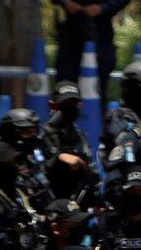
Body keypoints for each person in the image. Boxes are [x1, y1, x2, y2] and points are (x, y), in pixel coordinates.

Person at [43, 0, 133, 101]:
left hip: (101, 31)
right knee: (65, 84)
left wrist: (103, 8)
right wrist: (65, 2)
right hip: (73, 30)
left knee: (97, 86)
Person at [42, 82, 102, 210]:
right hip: (53, 199)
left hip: (77, 202)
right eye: (66, 104)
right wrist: (61, 157)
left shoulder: (79, 134)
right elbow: (45, 164)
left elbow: (89, 166)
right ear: (54, 105)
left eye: (74, 104)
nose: (71, 108)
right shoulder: (44, 133)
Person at [0, 109, 55, 212]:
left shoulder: (31, 155)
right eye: (27, 132)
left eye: (35, 132)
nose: (33, 137)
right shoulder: (0, 149)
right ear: (10, 133)